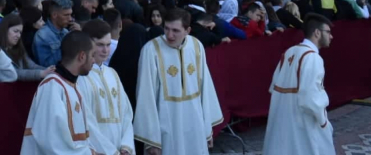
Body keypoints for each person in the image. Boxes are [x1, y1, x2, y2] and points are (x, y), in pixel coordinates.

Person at [134, 8, 222, 155]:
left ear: (188, 30)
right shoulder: (151, 50)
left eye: (175, 30)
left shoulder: (196, 46)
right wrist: (151, 139)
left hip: (195, 123)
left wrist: (207, 129)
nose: (169, 35)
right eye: (166, 29)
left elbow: (205, 88)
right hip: (166, 124)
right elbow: (145, 95)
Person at [262, 14, 334, 154]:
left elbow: (273, 87)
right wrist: (323, 122)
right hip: (304, 127)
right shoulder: (313, 58)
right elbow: (311, 99)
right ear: (317, 32)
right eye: (328, 32)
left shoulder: (289, 52)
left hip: (283, 124)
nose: (331, 36)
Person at [21, 31, 96, 155]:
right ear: (82, 56)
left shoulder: (73, 86)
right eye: (92, 55)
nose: (94, 60)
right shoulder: (52, 86)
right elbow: (51, 141)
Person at [76, 19, 134, 155]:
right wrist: (110, 151)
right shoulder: (81, 76)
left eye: (108, 45)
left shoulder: (112, 74)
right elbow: (86, 121)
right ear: (87, 44)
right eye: (100, 45)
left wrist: (126, 146)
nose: (106, 50)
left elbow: (126, 114)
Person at [0, 13, 53, 81]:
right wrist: (41, 73)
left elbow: (31, 65)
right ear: (5, 30)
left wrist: (49, 70)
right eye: (15, 31)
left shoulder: (19, 47)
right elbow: (15, 73)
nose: (18, 36)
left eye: (20, 32)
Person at [34, 0, 78, 67]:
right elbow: (45, 65)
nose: (70, 19)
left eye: (70, 15)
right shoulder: (42, 35)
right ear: (54, 15)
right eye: (66, 15)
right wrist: (66, 46)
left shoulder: (66, 32)